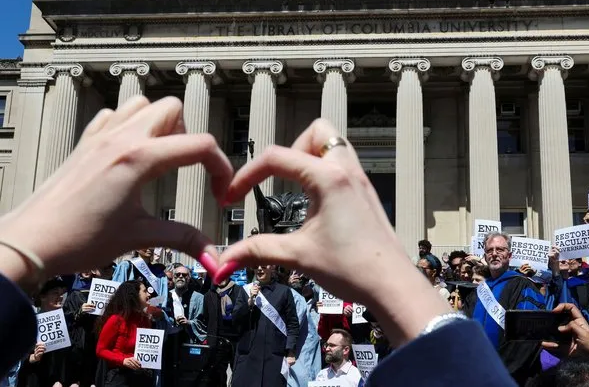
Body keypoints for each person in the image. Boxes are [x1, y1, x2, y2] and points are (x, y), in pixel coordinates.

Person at [0, 99, 516, 387]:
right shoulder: (238, 295)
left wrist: (17, 247)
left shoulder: (290, 298)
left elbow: (293, 327)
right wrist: (404, 289)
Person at [464, 232, 546, 384]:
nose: (494, 254)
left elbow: (528, 336)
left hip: (512, 376)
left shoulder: (524, 286)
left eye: (500, 250)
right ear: (485, 255)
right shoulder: (477, 292)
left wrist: (499, 370)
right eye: (490, 250)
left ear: (509, 255)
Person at [231, 264, 300, 387]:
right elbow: (236, 320)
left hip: (274, 355)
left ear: (272, 267)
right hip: (248, 354)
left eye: (263, 265)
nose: (259, 268)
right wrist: (249, 303)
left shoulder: (284, 291)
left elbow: (292, 324)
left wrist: (291, 351)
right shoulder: (245, 290)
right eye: (256, 266)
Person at [64, 264, 114, 386]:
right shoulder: (74, 292)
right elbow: (67, 316)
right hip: (79, 338)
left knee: (93, 372)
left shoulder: (103, 288)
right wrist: (80, 311)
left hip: (96, 335)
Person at [95, 280, 153, 387]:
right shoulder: (116, 320)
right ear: (134, 295)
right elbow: (100, 350)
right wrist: (123, 360)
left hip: (142, 376)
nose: (149, 294)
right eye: (145, 291)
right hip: (120, 377)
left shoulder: (145, 319)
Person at [17, 277, 71, 387]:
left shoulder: (66, 321)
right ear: (42, 297)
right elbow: (17, 357)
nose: (60, 297)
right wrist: (33, 358)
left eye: (61, 293)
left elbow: (69, 356)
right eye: (55, 293)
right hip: (35, 379)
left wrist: (71, 381)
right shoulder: (29, 324)